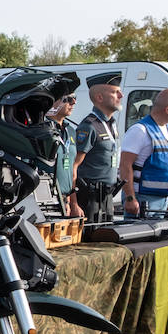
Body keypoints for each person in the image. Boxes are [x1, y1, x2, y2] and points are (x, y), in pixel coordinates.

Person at [120, 88, 168, 216]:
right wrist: (130, 198)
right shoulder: (140, 130)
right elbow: (124, 165)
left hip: (162, 200)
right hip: (142, 200)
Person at [69, 71, 123, 223]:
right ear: (99, 97)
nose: (121, 96)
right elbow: (73, 167)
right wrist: (73, 203)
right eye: (115, 92)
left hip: (106, 197)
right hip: (89, 199)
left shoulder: (111, 124)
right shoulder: (89, 126)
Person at [47, 92, 78, 213]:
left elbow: (71, 169)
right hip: (48, 199)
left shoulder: (70, 130)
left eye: (75, 98)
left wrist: (70, 202)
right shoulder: (42, 130)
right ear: (54, 101)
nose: (74, 102)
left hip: (64, 199)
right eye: (68, 99)